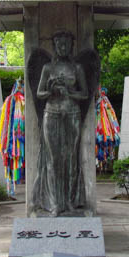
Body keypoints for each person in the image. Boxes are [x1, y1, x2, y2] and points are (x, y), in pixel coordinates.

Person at [33, 31, 89, 214]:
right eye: (59, 44)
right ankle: (55, 203)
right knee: (53, 159)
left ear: (71, 46)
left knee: (71, 159)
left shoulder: (77, 68)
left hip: (72, 114)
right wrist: (50, 90)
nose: (63, 47)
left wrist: (69, 92)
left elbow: (85, 94)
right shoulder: (48, 68)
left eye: (66, 44)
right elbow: (39, 93)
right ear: (55, 46)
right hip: (52, 113)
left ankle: (71, 201)